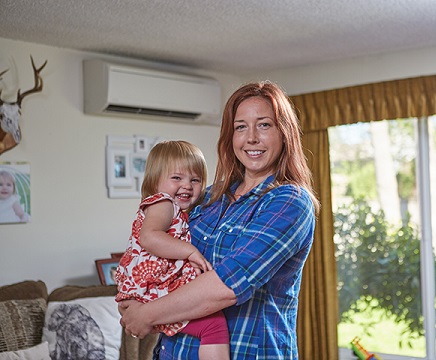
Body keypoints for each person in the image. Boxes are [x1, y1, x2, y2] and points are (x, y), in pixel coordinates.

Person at [119, 81, 320, 359]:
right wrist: (134, 294)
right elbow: (162, 252)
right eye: (240, 127)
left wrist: (146, 314)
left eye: (264, 125)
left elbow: (227, 287)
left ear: (284, 133)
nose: (251, 138)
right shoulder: (210, 196)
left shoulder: (289, 203)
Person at [115, 140, 230, 360]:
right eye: (177, 178)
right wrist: (190, 252)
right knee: (214, 327)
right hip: (149, 290)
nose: (187, 185)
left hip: (151, 290)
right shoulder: (163, 203)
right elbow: (149, 237)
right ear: (154, 180)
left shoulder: (180, 209)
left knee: (211, 326)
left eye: (195, 180)